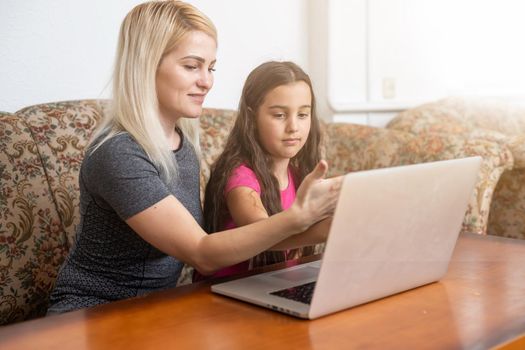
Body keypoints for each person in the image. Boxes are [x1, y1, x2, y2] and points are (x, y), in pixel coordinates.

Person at [47, 0, 341, 314]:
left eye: (211, 67)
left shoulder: (181, 145)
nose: (207, 81)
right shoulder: (118, 154)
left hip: (155, 311)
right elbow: (201, 252)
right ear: (146, 65)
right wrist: (298, 217)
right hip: (94, 311)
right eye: (192, 66)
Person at [197, 61, 329, 281]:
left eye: (303, 115)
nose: (293, 127)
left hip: (275, 288)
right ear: (252, 117)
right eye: (279, 115)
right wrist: (325, 229)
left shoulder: (299, 176)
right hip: (231, 295)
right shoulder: (240, 177)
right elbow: (262, 232)